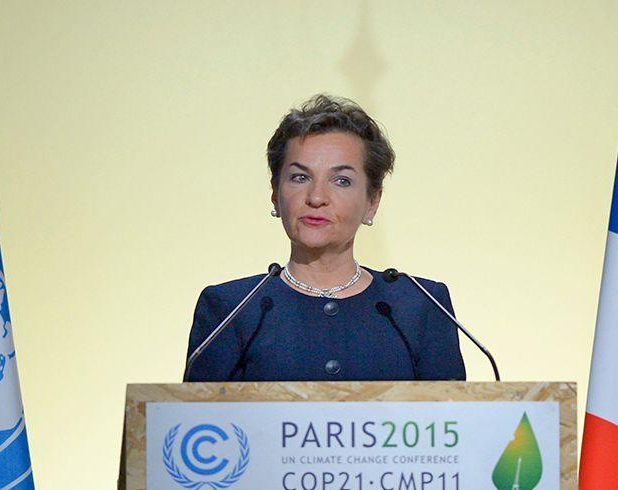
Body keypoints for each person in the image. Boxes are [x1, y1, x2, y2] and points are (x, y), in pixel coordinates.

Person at [184, 95, 465, 382]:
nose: (316, 198)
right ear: (275, 194)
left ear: (372, 201)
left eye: (341, 180)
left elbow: (451, 423)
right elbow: (195, 425)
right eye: (299, 177)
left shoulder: (421, 306)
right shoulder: (230, 310)